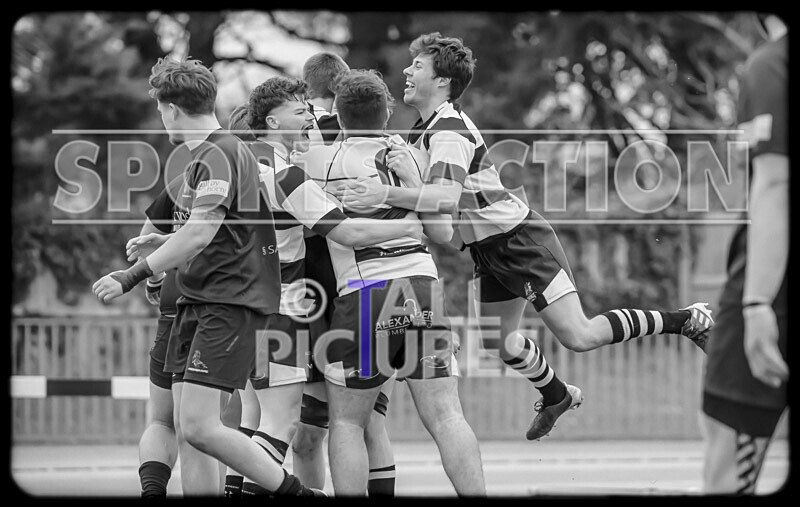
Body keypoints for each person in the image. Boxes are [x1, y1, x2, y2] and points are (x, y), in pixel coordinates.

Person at [334, 32, 716, 440]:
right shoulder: (421, 133)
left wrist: (388, 191)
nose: (407, 71)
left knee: (579, 336)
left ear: (442, 81)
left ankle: (686, 320)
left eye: (418, 66)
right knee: (499, 342)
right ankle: (556, 395)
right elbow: (444, 231)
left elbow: (443, 198)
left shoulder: (448, 130)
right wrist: (410, 178)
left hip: (520, 240)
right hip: (487, 250)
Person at [93, 57, 322, 496]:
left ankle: (298, 494)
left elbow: (201, 232)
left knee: (199, 427)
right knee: (189, 429)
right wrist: (162, 245)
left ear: (172, 109)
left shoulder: (219, 152)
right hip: (201, 302)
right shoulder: (207, 155)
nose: (162, 119)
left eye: (161, 110)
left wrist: (133, 274)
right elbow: (211, 230)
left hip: (229, 304)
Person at [222, 77, 421, 496]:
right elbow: (346, 232)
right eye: (301, 111)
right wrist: (408, 223)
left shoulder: (235, 164)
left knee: (262, 421)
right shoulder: (284, 174)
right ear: (272, 121)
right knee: (279, 425)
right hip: (281, 309)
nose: (310, 118)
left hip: (243, 308)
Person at [300, 68, 486, 496]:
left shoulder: (318, 162)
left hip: (367, 292)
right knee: (447, 417)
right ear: (387, 114)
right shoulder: (411, 155)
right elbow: (441, 230)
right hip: (422, 287)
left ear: (340, 117)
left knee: (347, 423)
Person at [295, 52, 399, 496]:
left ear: (306, 91)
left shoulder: (299, 139)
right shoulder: (385, 139)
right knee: (368, 424)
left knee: (300, 433)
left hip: (308, 291)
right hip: (381, 282)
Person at [700, 13, 788, 495]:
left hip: (773, 284)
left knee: (727, 452)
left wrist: (757, 304)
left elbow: (776, 184)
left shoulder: (770, 66)